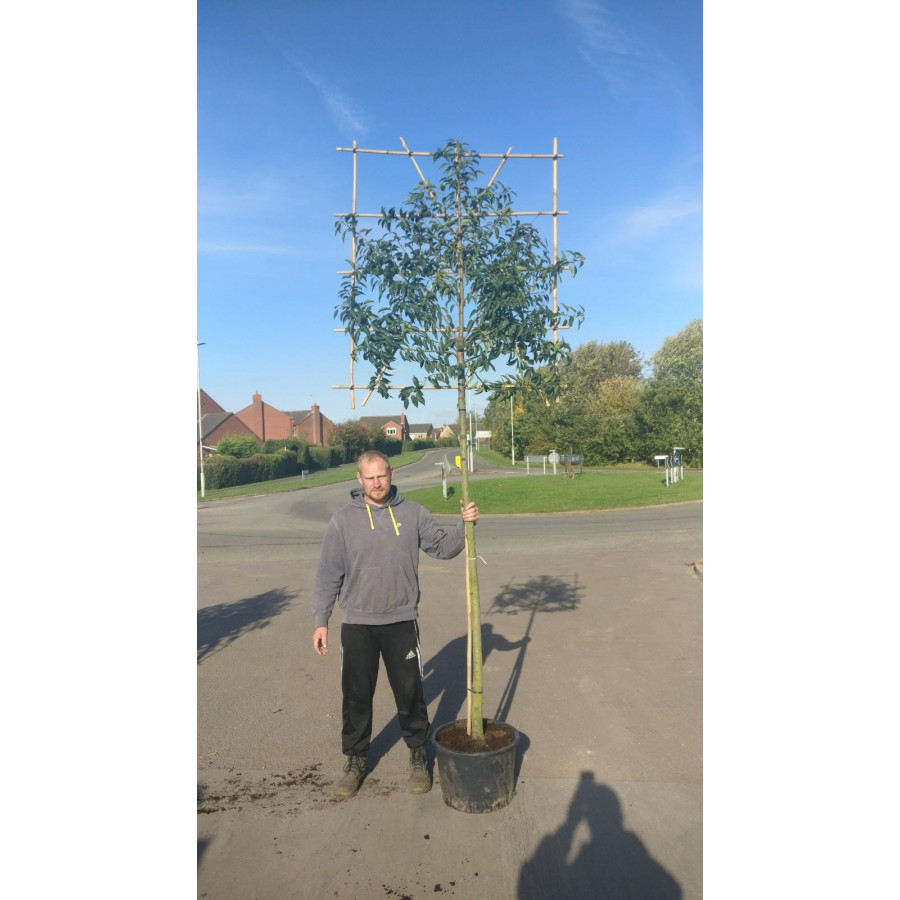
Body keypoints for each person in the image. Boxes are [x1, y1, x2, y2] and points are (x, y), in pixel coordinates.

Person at [311, 450, 479, 799]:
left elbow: (443, 548)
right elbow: (328, 573)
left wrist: (465, 526)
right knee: (356, 696)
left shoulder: (413, 513)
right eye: (369, 477)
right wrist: (321, 620)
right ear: (359, 479)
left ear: (391, 474)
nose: (377, 482)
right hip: (357, 623)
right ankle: (355, 760)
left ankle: (419, 756)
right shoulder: (342, 521)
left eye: (382, 475)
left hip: (401, 620)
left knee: (411, 694)